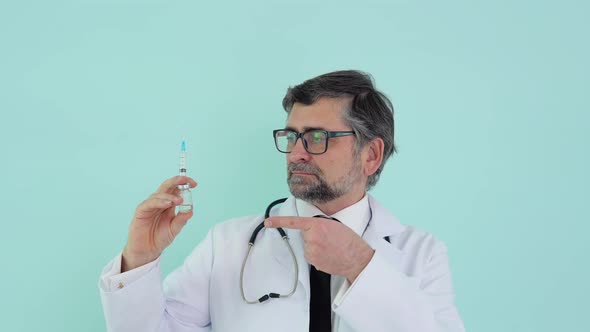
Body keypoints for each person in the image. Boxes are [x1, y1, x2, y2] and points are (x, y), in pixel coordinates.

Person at [98, 70, 465, 332]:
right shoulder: (226, 244)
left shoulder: (422, 254)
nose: (297, 154)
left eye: (317, 137)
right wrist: (139, 260)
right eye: (291, 137)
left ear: (371, 155)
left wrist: (359, 265)